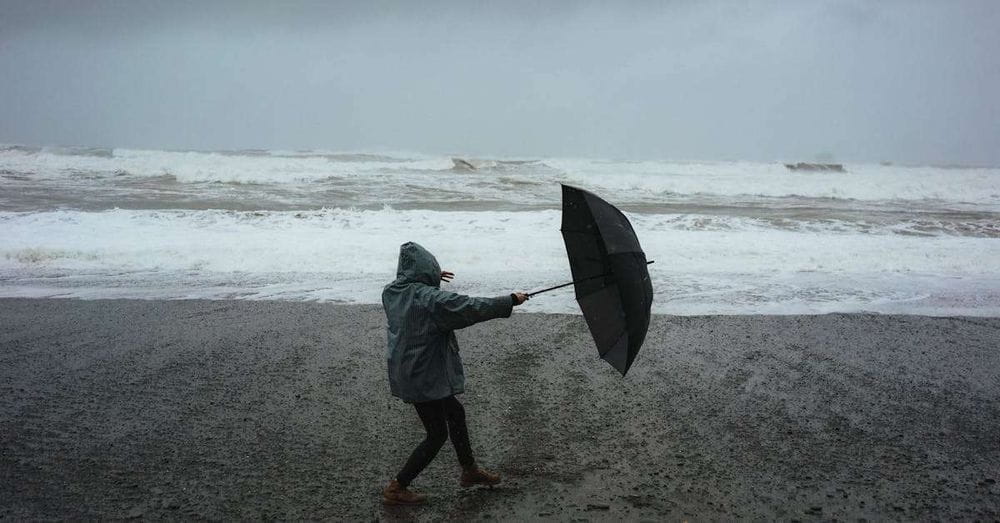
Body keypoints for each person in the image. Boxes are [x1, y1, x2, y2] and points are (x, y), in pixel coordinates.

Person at [381, 242, 529, 505]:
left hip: (409, 370)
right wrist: (510, 300)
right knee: (437, 434)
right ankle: (397, 486)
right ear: (426, 271)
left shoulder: (392, 293)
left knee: (455, 413)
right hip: (423, 376)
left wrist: (430, 278)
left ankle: (469, 471)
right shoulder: (430, 300)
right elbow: (469, 307)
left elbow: (416, 293)